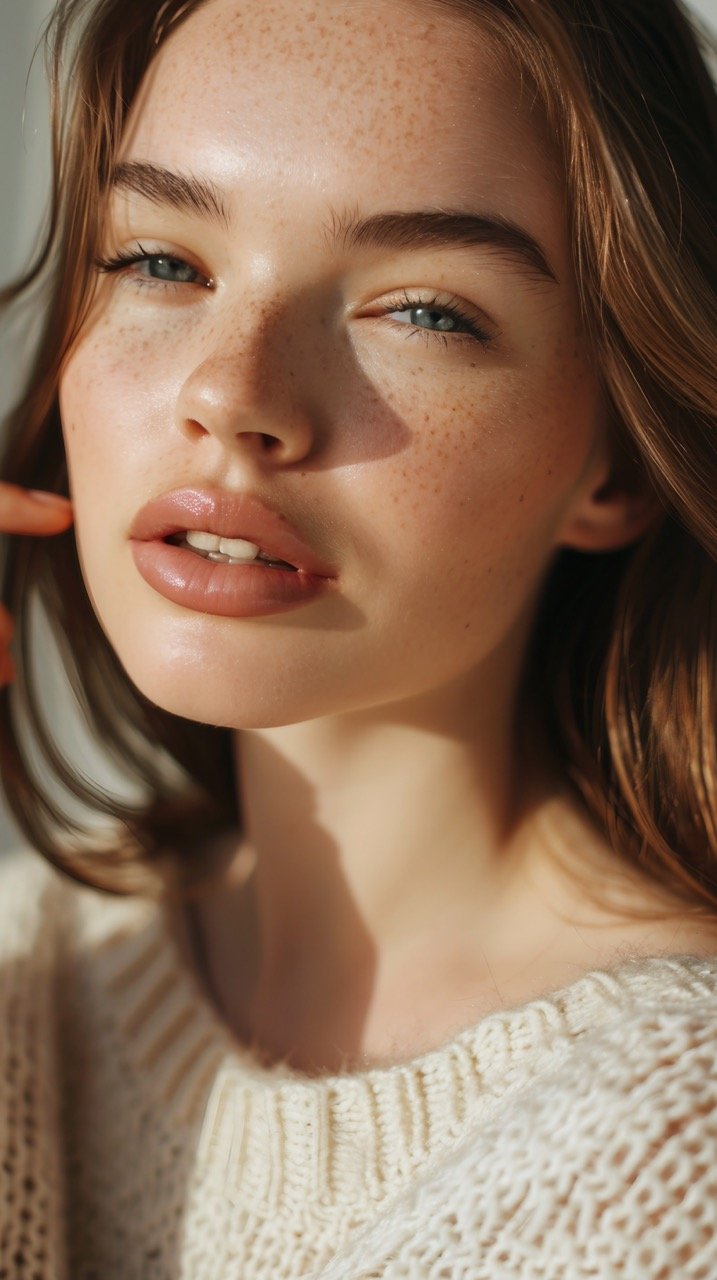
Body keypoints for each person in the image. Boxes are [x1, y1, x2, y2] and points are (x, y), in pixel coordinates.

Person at [0, 0, 716, 1274]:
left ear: (614, 463)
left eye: (423, 310)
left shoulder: (673, 1154)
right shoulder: (29, 957)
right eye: (164, 261)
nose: (233, 393)